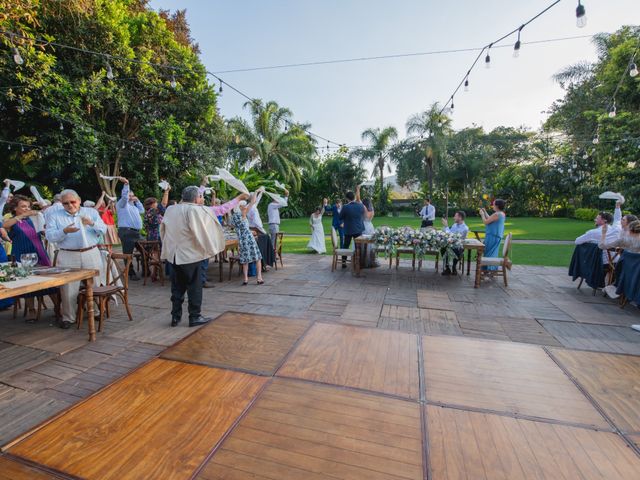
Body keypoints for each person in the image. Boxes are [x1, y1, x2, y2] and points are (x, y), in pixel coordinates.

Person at [161, 186, 225, 327]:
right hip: (191, 255)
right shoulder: (195, 210)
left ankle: (175, 317)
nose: (202, 199)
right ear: (196, 198)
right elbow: (202, 231)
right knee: (194, 287)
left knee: (177, 287)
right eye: (201, 197)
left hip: (174, 255)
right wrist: (209, 248)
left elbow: (163, 231)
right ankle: (194, 316)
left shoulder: (171, 209)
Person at [45, 189, 106, 328]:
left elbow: (103, 230)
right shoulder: (55, 215)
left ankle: (96, 311)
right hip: (67, 253)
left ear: (79, 200)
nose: (70, 205)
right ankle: (68, 317)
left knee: (95, 283)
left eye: (73, 202)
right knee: (68, 287)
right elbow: (50, 236)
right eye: (66, 203)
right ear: (62, 203)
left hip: (90, 251)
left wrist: (91, 223)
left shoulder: (91, 212)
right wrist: (64, 231)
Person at [3, 195, 59, 322]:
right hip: (21, 254)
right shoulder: (12, 220)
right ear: (15, 208)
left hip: (39, 253)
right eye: (23, 206)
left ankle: (57, 307)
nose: (27, 209)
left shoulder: (34, 219)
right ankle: (31, 310)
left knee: (49, 281)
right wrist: (22, 216)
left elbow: (45, 231)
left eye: (28, 206)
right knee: (27, 282)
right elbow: (5, 225)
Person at [230, 194, 265, 285]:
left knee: (245, 260)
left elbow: (233, 226)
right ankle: (259, 277)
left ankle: (245, 279)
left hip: (241, 240)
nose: (245, 206)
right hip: (249, 239)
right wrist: (257, 192)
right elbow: (253, 202)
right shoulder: (243, 213)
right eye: (244, 205)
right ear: (241, 206)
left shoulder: (233, 217)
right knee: (257, 258)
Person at [115, 177, 143, 280]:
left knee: (146, 249)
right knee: (128, 254)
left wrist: (138, 200)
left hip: (136, 233)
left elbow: (142, 210)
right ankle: (130, 273)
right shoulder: (121, 204)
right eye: (129, 196)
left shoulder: (134, 207)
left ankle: (146, 270)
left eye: (132, 196)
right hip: (126, 231)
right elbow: (124, 197)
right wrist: (126, 184)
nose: (131, 197)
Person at [339, 188, 366, 268]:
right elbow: (362, 214)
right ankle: (360, 262)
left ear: (347, 198)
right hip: (358, 229)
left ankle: (344, 263)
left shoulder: (345, 207)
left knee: (345, 246)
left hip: (348, 230)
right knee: (359, 246)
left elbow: (340, 217)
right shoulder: (361, 206)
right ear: (354, 197)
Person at [479, 199, 507, 271]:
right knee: (492, 253)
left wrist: (482, 214)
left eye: (493, 204)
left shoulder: (497, 214)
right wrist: (485, 212)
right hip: (495, 236)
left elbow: (486, 222)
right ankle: (490, 269)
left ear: (497, 206)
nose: (492, 206)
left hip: (492, 236)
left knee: (488, 253)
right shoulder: (501, 213)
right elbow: (490, 219)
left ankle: (488, 270)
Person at [441, 210, 470, 275]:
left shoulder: (465, 228)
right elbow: (449, 234)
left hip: (458, 246)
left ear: (460, 217)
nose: (454, 217)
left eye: (455, 216)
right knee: (443, 249)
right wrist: (445, 227)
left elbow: (456, 238)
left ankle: (454, 267)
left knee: (456, 250)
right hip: (450, 244)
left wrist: (446, 226)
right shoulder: (454, 225)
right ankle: (447, 268)